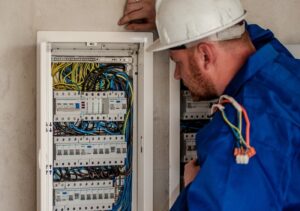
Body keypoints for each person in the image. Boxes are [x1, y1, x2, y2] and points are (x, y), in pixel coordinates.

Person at [119, 0, 300, 210]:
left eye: (177, 62)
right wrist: (173, 17)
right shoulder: (285, 69)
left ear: (205, 55)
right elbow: (241, 34)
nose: (177, 75)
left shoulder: (239, 136)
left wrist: (197, 187)